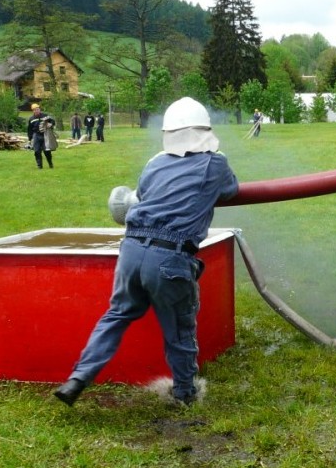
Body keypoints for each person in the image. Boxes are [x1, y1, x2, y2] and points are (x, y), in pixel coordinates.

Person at [53, 97, 239, 407]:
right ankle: (184, 394)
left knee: (116, 315)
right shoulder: (215, 163)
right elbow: (231, 190)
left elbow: (141, 196)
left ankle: (79, 378)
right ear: (205, 130)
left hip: (131, 248)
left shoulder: (154, 163)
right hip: (169, 256)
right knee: (179, 329)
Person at [27, 103, 56, 169]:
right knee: (37, 151)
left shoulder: (45, 116)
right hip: (36, 135)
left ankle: (50, 164)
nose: (36, 111)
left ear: (39, 109)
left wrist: (51, 124)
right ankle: (39, 166)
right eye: (35, 110)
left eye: (37, 109)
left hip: (45, 134)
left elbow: (52, 121)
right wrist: (29, 139)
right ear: (33, 111)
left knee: (47, 151)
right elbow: (29, 130)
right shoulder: (31, 119)